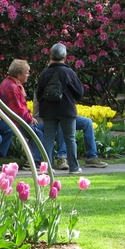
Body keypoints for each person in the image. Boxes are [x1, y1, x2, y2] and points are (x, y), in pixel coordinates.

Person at [36, 43, 84, 174]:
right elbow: (80, 92)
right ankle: (74, 168)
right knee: (70, 138)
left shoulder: (45, 73)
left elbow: (38, 93)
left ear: (51, 56)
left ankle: (46, 169)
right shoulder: (69, 72)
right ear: (65, 57)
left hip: (48, 110)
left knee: (48, 138)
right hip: (67, 110)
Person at [0, 59, 44, 170]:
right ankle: (32, 162)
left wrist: (30, 117)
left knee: (42, 129)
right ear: (19, 75)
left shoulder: (12, 84)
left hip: (13, 120)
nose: (28, 75)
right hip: (14, 122)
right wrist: (30, 119)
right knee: (38, 133)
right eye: (26, 72)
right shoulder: (12, 87)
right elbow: (18, 110)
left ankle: (36, 158)